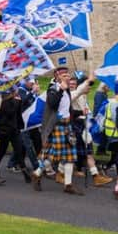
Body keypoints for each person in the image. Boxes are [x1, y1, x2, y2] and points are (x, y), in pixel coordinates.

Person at [40, 67, 82, 195]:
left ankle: (68, 185)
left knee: (69, 157)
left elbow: (67, 108)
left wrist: (79, 113)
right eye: (65, 76)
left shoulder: (68, 90)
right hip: (56, 126)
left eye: (68, 76)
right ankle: (37, 174)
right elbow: (52, 104)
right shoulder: (52, 89)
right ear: (58, 77)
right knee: (52, 157)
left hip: (67, 126)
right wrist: (61, 90)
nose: (68, 78)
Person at [69, 74, 112, 186]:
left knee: (89, 153)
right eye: (88, 87)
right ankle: (51, 171)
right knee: (68, 153)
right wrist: (88, 81)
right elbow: (80, 90)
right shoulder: (72, 94)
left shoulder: (83, 95)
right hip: (74, 126)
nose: (89, 89)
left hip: (83, 126)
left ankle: (96, 176)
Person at [0, 89, 27, 182]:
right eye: (16, 89)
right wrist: (17, 102)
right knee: (2, 151)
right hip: (5, 130)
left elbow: (18, 114)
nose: (17, 91)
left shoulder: (16, 100)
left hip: (15, 130)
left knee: (19, 150)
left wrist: (19, 102)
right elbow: (10, 112)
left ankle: (25, 172)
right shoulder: (5, 101)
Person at [102, 83, 118, 175]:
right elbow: (116, 119)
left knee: (115, 154)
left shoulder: (116, 103)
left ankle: (105, 167)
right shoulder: (114, 104)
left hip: (113, 132)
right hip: (115, 133)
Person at [93, 82, 110, 155]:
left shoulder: (103, 94)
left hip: (102, 115)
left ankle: (102, 149)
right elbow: (98, 106)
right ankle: (100, 150)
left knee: (104, 133)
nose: (109, 88)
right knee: (102, 133)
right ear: (104, 87)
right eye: (108, 87)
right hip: (100, 116)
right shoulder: (100, 94)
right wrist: (97, 116)